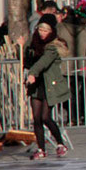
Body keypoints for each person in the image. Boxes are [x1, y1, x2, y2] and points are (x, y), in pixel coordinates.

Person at [19, 14, 70, 160]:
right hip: (36, 85)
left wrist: (32, 73)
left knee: (45, 116)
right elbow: (26, 60)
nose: (42, 33)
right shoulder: (33, 42)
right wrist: (21, 46)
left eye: (45, 30)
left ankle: (60, 143)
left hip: (49, 85)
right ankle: (41, 148)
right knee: (36, 118)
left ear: (51, 31)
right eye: (40, 29)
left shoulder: (53, 46)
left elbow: (43, 62)